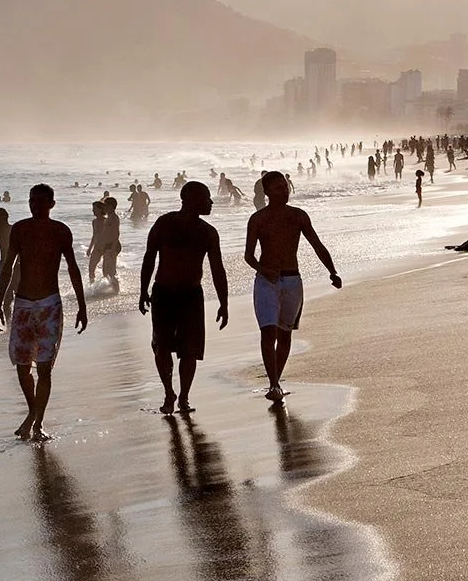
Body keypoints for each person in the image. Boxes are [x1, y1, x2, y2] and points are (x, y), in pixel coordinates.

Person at [0, 184, 89, 442]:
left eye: (41, 201)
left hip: (49, 304)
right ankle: (32, 413)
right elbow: (7, 269)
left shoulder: (60, 231)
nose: (35, 205)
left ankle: (38, 423)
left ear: (52, 204)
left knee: (44, 369)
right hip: (23, 304)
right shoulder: (20, 229)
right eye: (32, 201)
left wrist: (82, 305)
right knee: (23, 368)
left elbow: (73, 269)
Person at [244, 171, 342, 404]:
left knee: (284, 334)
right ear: (266, 192)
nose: (284, 191)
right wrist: (262, 269)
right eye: (278, 188)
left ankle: (276, 380)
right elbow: (248, 256)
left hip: (292, 280)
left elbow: (317, 245)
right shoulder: (257, 219)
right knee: (268, 332)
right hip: (267, 282)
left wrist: (332, 271)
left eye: (285, 186)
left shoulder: (298, 216)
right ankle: (273, 384)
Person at [139, 181, 229, 417]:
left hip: (191, 295)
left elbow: (218, 269)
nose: (210, 202)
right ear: (189, 200)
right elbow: (149, 258)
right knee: (162, 347)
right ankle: (169, 392)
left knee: (190, 350)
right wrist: (142, 290)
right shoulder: (164, 224)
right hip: (163, 294)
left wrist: (224, 302)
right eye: (206, 198)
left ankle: (184, 396)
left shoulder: (208, 232)